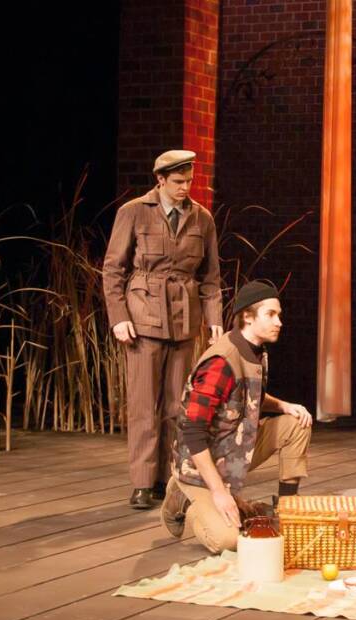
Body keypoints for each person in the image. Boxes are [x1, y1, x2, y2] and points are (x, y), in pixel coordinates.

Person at [103, 150, 223, 509]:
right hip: (143, 318)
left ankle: (167, 479)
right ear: (160, 180)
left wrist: (214, 320)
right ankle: (142, 481)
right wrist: (118, 316)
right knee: (143, 405)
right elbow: (113, 269)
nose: (186, 187)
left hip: (184, 320)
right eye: (178, 182)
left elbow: (211, 278)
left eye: (189, 181)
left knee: (177, 407)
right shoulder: (135, 212)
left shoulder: (202, 219)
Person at [159, 280, 313, 553]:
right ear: (247, 317)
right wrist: (219, 493)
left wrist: (284, 406)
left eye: (279, 315)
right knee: (227, 540)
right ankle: (183, 498)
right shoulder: (220, 362)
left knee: (296, 423)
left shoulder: (256, 350)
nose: (279, 322)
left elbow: (246, 399)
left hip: (235, 447)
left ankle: (288, 511)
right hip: (200, 465)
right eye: (271, 315)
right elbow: (191, 431)